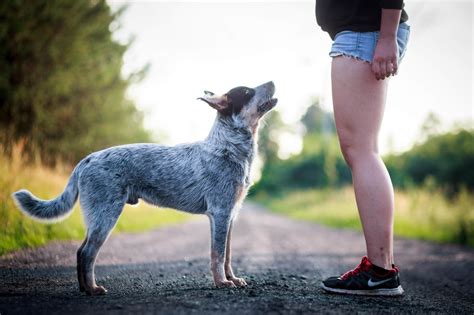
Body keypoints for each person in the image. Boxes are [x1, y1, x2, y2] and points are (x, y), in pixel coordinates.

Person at [315, 0, 410, 296]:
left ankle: (381, 271)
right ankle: (380, 268)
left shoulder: (372, 34)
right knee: (361, 149)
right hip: (364, 33)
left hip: (365, 34)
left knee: (361, 150)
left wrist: (386, 36)